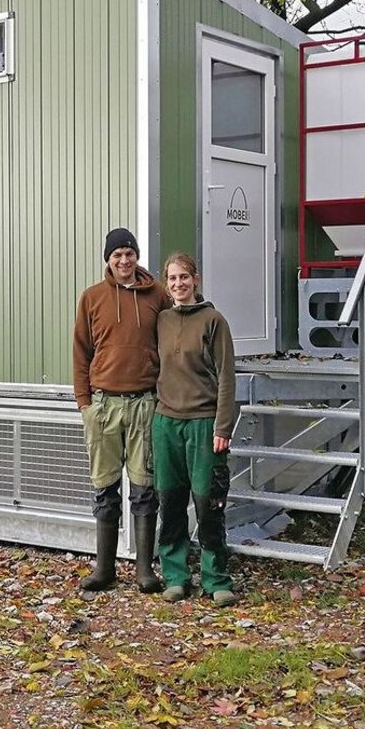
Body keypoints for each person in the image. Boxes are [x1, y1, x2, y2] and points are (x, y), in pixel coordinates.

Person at [72, 227, 171, 594]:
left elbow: (176, 339)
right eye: (117, 255)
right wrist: (84, 404)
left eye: (129, 253)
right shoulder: (92, 298)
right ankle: (105, 568)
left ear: (137, 256)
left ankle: (144, 570)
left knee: (145, 487)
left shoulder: (158, 295)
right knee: (105, 487)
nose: (124, 260)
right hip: (104, 405)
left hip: (145, 403)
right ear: (108, 260)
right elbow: (81, 352)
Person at [152, 252, 239, 606]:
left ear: (196, 280)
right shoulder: (161, 320)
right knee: (170, 501)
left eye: (183, 277)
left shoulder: (214, 320)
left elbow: (226, 378)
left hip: (204, 424)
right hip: (166, 422)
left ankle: (216, 579)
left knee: (208, 503)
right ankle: (175, 575)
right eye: (171, 279)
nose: (178, 284)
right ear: (166, 283)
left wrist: (223, 425)